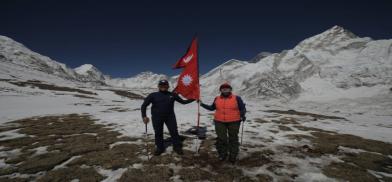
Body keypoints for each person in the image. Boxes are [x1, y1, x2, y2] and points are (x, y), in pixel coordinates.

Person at [141, 79, 195, 156]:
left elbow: (183, 102)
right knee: (158, 133)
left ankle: (177, 147)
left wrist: (194, 98)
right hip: (157, 117)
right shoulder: (153, 95)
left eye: (165, 85)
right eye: (161, 85)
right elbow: (144, 105)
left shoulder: (173, 94)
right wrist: (144, 116)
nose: (163, 87)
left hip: (170, 117)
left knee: (174, 131)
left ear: (168, 86)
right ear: (158, 86)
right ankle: (160, 148)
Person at [200, 83, 246, 163]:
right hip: (219, 122)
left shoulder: (237, 98)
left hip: (234, 121)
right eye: (223, 88)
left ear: (230, 89)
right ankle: (223, 154)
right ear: (220, 90)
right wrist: (201, 104)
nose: (225, 89)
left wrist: (243, 115)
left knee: (233, 139)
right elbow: (212, 108)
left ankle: (233, 156)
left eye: (227, 88)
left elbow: (242, 108)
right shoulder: (217, 98)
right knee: (221, 139)